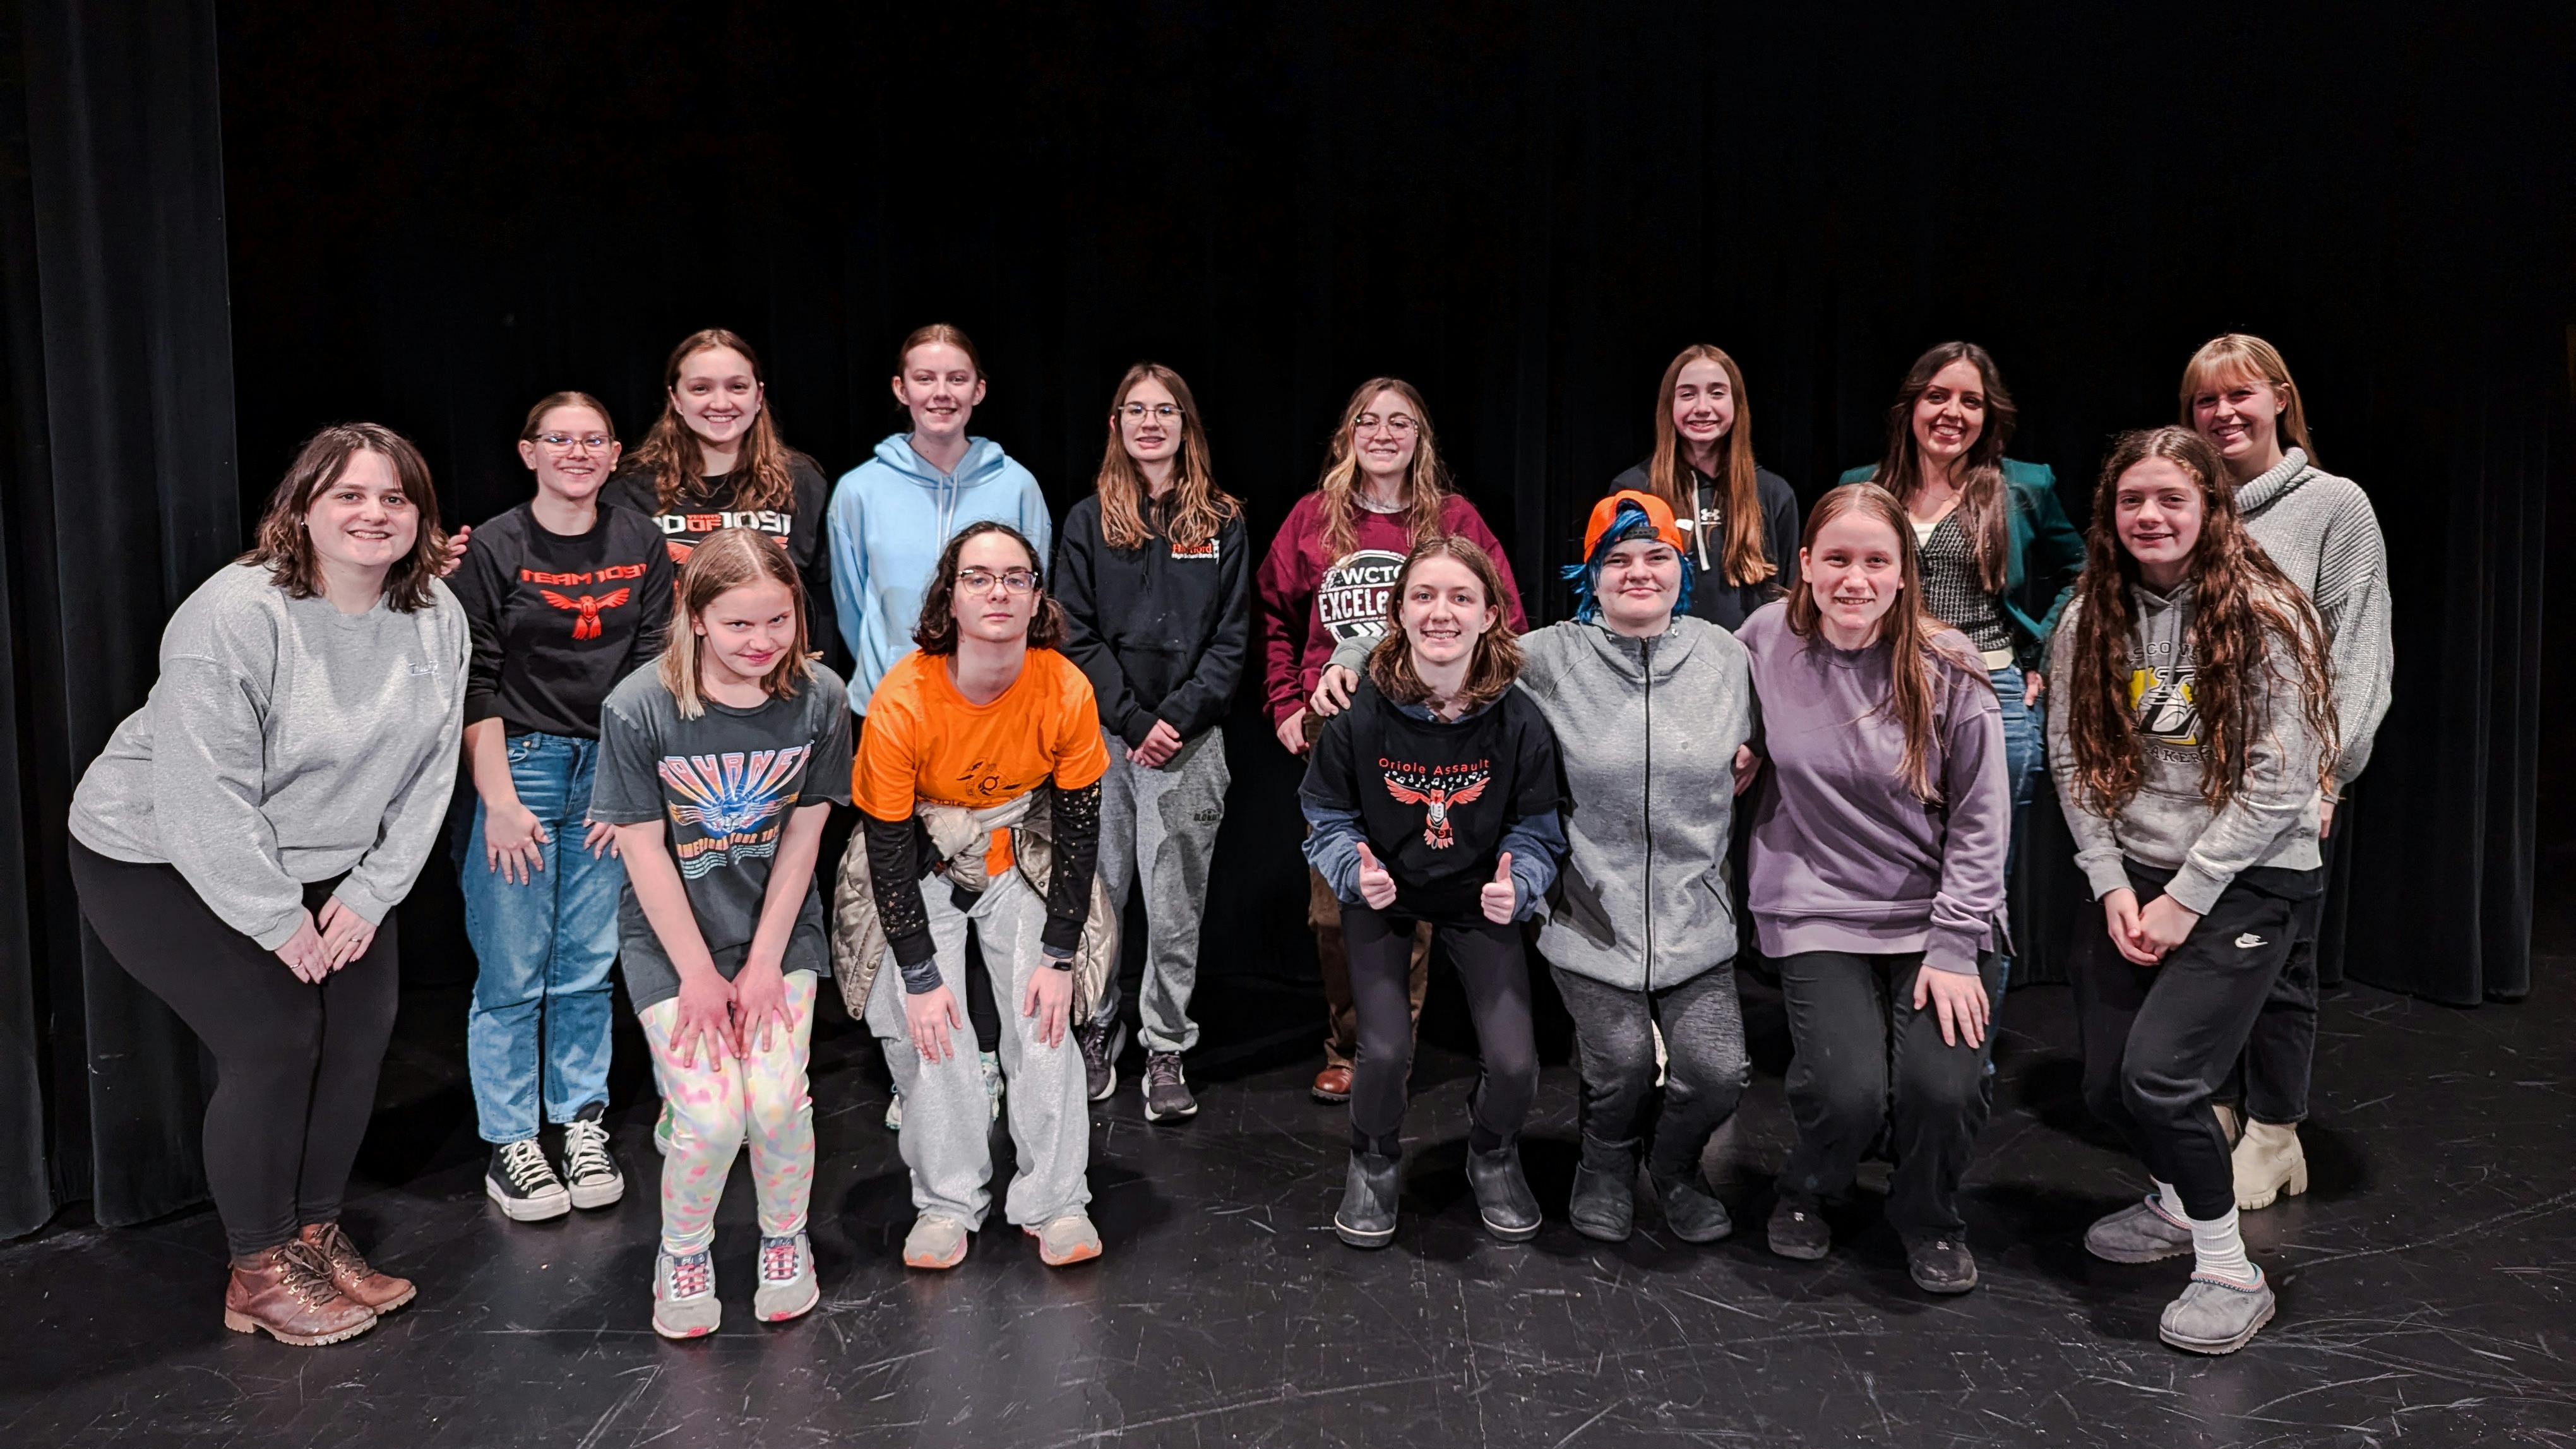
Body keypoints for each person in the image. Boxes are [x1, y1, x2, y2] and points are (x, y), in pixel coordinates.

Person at [68, 424, 467, 1345]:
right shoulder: (235, 615)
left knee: (358, 1035)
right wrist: (277, 920)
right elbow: (202, 796)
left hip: (329, 859)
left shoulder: (434, 612)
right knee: (278, 1036)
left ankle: (314, 1237)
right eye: (349, 495)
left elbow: (432, 768)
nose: (374, 514)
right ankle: (257, 1268)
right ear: (302, 507)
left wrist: (372, 890)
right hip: (159, 852)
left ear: (421, 516)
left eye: (396, 497)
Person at [2052, 427, 2338, 1356]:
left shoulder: (2266, 614)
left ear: (2212, 508)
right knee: (2106, 1086)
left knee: (2163, 1078)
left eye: (2172, 498)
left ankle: (2229, 1270)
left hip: (2250, 876)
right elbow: (2071, 758)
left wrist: (2187, 896)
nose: (2150, 515)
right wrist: (2110, 882)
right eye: (2132, 499)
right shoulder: (2089, 616)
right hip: (2136, 873)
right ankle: (2179, 1201)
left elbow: (2280, 778)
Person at [1740, 482, 2009, 1296]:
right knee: (1847, 1092)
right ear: (1805, 564)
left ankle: (1928, 1216)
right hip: (1816, 902)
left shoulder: (1948, 662)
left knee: (1941, 1090)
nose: (1854, 579)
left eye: (1875, 562)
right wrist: (1732, 748)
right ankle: (1810, 1188)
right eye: (1837, 559)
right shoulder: (1763, 640)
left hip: (1938, 914)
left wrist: (1955, 944)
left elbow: (1983, 818)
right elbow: (1704, 707)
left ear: (1902, 573)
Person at [589, 527, 850, 1339]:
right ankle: (684, 1252)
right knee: (712, 1121)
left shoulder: (820, 697)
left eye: (778, 620)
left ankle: (785, 1239)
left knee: (773, 1105)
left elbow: (805, 837)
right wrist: (699, 976)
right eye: (739, 624)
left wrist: (766, 961)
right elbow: (641, 849)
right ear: (696, 617)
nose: (761, 642)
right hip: (674, 943)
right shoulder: (639, 706)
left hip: (777, 933)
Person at [1256, 377, 1526, 1105]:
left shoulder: (1453, 518)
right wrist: (1285, 703)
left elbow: (1506, 617)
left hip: (1431, 729)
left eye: (1399, 422)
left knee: (1416, 898)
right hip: (1339, 726)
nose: (1383, 434)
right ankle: (1350, 1046)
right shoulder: (1314, 519)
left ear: (1420, 438)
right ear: (1348, 435)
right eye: (1368, 421)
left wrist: (1468, 702)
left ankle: (1387, 1052)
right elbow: (1274, 617)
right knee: (1337, 904)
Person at [849, 522, 1109, 1272]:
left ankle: (1056, 1201)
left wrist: (1058, 955)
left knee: (1046, 1016)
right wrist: (920, 974)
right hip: (922, 859)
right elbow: (887, 848)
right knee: (929, 1026)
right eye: (978, 577)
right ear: (949, 597)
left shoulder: (1064, 687)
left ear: (1036, 598)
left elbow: (1079, 829)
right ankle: (946, 1203)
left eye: (1015, 578)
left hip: (1020, 853)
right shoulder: (904, 699)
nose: (998, 592)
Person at [1301, 537, 1564, 1248]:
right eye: (1424, 595)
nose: (1440, 612)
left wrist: (1522, 878)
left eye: (1460, 597)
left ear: (1489, 615)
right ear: (1398, 612)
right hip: (1385, 893)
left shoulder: (1520, 719)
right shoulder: (1358, 712)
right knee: (1383, 1052)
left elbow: (1537, 828)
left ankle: (1493, 1151)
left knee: (1515, 1063)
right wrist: (1353, 870)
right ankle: (1374, 1158)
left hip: (1480, 895)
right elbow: (1325, 814)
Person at [2179, 334, 2392, 1212]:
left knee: (2279, 959)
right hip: (2188, 779)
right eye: (2206, 400)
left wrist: (2328, 773)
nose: (2223, 413)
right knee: (2202, 951)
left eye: (2240, 394)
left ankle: (2275, 1133)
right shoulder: (2185, 502)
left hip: (2289, 777)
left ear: (2280, 399)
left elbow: (2358, 649)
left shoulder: (2334, 505)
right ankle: (2219, 1105)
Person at [450, 393, 673, 1222]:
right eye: (559, 439)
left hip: (608, 769)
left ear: (614, 454)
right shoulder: (497, 545)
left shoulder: (640, 540)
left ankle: (579, 1122)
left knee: (585, 963)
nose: (577, 453)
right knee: (513, 967)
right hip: (523, 767)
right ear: (529, 451)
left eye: (593, 440)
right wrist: (500, 801)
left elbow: (653, 667)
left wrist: (627, 783)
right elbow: (474, 678)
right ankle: (512, 1141)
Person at [831, 323, 1052, 1127]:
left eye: (957, 378)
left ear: (979, 390)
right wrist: (899, 688)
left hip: (994, 725)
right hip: (895, 723)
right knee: (912, 892)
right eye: (924, 378)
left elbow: (1031, 602)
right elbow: (851, 605)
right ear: (900, 390)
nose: (941, 393)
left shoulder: (1016, 484)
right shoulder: (859, 490)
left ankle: (988, 1056)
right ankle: (923, 1068)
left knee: (995, 893)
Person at [1840, 343, 2084, 984]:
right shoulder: (1864, 487)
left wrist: (2041, 651)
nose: (1953, 412)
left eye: (1971, 401)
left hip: (1991, 692)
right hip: (1884, 692)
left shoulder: (2022, 486)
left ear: (1988, 415)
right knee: (1891, 870)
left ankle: (1969, 1040)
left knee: (1980, 887)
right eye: (1938, 396)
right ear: (1912, 405)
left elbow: (2083, 570)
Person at [1052, 362, 1249, 1118]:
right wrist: (1133, 721)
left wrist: (1176, 720)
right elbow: (1074, 632)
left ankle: (1166, 1045)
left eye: (1165, 410)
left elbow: (1231, 639)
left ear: (1185, 424)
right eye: (1135, 410)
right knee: (1098, 895)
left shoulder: (1222, 521)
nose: (1150, 423)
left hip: (1189, 742)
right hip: (1104, 739)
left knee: (1173, 906)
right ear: (1116, 425)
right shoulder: (1087, 521)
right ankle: (1097, 1028)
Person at [602, 328, 836, 668]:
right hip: (671, 678)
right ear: (676, 399)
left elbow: (819, 598)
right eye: (701, 388)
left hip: (777, 677)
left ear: (758, 396)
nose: (722, 403)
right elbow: (622, 611)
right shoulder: (630, 490)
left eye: (737, 387)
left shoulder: (800, 481)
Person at [1606, 344, 1799, 629]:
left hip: (1747, 655)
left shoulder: (1774, 493)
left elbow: (1789, 598)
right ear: (1669, 405)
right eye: (1687, 394)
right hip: (1658, 654)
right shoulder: (1633, 491)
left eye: (1717, 393)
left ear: (1737, 403)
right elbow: (1617, 590)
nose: (1702, 408)